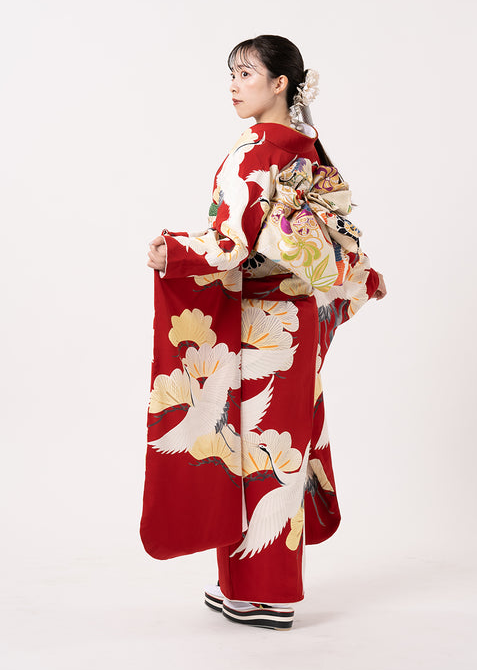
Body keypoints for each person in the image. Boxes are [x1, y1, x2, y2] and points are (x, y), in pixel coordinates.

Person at [141, 34, 387, 631]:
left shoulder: (257, 151)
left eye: (246, 73)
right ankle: (246, 582)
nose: (234, 85)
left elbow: (231, 245)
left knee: (252, 450)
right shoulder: (306, 150)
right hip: (292, 318)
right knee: (272, 449)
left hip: (261, 320)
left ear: (281, 84)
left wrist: (174, 252)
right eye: (232, 74)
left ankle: (265, 594)